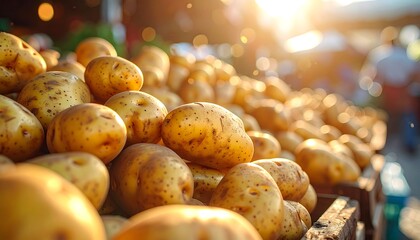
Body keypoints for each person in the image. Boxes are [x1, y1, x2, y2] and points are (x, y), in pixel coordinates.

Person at [360, 26, 419, 153]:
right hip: (403, 90)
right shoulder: (405, 55)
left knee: (386, 118)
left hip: (388, 91)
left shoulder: (380, 55)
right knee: (407, 117)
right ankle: (409, 143)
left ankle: (386, 146)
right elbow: (415, 74)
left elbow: (373, 76)